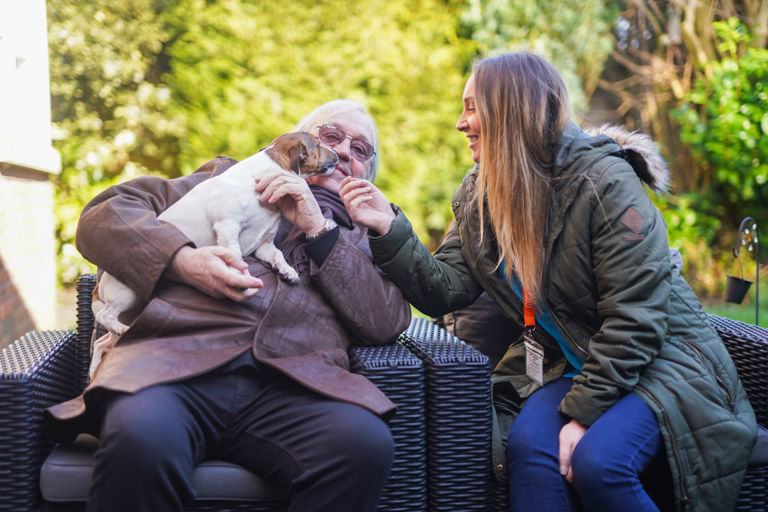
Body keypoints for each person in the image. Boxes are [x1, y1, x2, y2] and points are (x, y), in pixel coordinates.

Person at [339, 53, 757, 512]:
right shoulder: (482, 193)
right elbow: (445, 290)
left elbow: (637, 319)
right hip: (571, 362)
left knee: (601, 462)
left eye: (472, 107)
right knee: (528, 449)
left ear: (512, 110)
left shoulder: (604, 183)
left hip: (663, 362)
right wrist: (387, 227)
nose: (461, 123)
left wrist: (580, 416)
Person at [46, 99, 411, 512]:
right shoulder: (229, 178)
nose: (344, 151)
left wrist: (318, 227)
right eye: (331, 137)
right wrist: (181, 260)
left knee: (364, 445)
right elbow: (103, 216)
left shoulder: (365, 237)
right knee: (141, 436)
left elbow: (386, 321)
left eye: (360, 150)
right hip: (175, 365)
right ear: (300, 146)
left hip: (296, 388)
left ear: (367, 173)